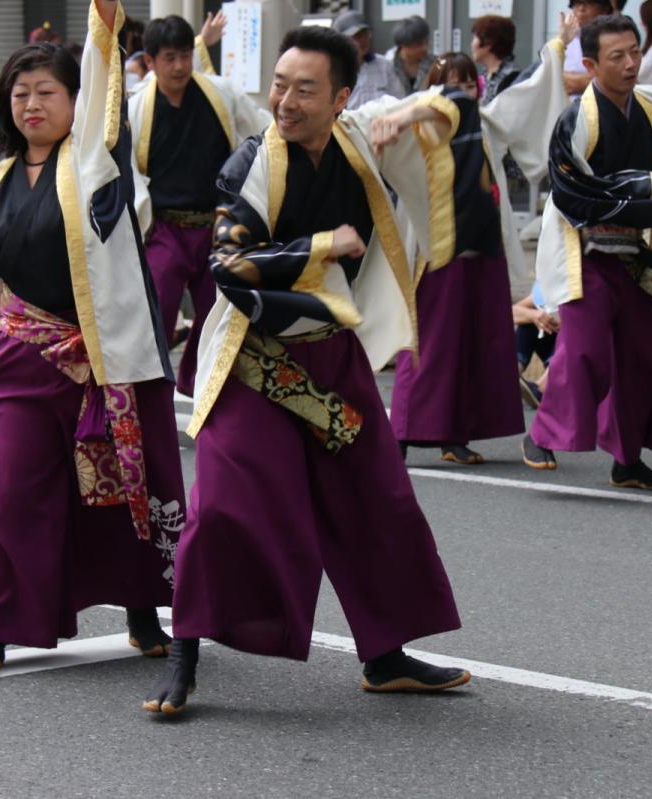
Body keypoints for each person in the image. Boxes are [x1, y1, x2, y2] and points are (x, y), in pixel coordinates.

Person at [143, 24, 477, 716]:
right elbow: (230, 265)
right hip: (255, 360)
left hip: (332, 351)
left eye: (304, 89)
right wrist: (326, 245)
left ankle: (385, 655)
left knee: (374, 497)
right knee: (225, 508)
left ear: (341, 97)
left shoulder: (358, 135)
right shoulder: (251, 164)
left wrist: (420, 110)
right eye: (278, 84)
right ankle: (185, 652)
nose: (285, 101)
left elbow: (451, 111)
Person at [0, 0, 186, 682]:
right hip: (19, 358)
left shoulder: (96, 166)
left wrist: (104, 20)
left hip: (102, 362)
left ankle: (143, 608)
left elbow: (106, 80)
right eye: (19, 94)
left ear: (78, 102)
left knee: (118, 494)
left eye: (47, 92)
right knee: (9, 493)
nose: (31, 105)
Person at [524, 14, 652, 490]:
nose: (632, 63)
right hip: (585, 249)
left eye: (636, 51)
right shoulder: (576, 119)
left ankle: (627, 459)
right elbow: (574, 193)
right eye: (618, 56)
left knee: (641, 358)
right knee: (585, 353)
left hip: (634, 254)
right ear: (591, 65)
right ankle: (543, 434)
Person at [390, 24, 573, 465]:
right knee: (428, 343)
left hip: (481, 249)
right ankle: (400, 433)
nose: (459, 92)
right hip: (435, 252)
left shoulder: (485, 121)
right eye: (449, 84)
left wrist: (557, 47)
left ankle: (456, 433)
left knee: (474, 342)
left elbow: (530, 92)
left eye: (467, 82)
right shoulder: (416, 124)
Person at [129, 14, 270, 395]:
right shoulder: (137, 108)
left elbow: (261, 129)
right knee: (153, 313)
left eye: (185, 56)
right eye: (169, 57)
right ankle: (146, 396)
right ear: (150, 62)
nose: (179, 66)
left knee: (220, 315)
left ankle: (201, 384)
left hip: (216, 227)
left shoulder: (220, 94)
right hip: (164, 230)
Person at [335, 10, 406, 109]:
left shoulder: (384, 65)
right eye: (356, 36)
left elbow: (400, 102)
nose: (363, 40)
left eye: (365, 34)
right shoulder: (334, 69)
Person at [512, 284, 559, 408]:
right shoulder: (545, 284)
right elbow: (511, 312)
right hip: (552, 348)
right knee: (528, 323)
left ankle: (541, 389)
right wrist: (533, 315)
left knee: (571, 334)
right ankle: (510, 376)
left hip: (570, 353)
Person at [564, 0, 615, 98]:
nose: (581, 9)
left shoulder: (616, 36)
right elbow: (550, 78)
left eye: (589, 3)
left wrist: (573, 81)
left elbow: (617, 81)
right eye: (576, 3)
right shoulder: (566, 39)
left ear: (605, 9)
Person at [472, 15, 521, 105]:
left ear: (488, 42)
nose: (472, 44)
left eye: (475, 37)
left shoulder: (511, 77)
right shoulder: (485, 74)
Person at [391, 16, 432, 95]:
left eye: (426, 42)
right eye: (418, 44)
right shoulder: (388, 65)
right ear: (403, 45)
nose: (425, 48)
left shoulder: (436, 64)